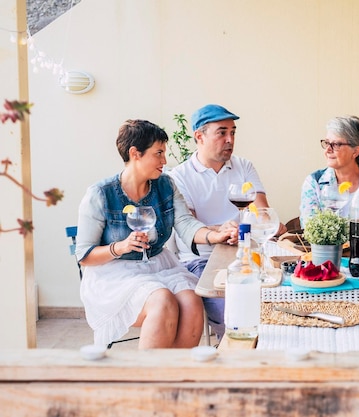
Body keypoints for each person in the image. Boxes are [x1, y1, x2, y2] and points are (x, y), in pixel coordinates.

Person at [76, 119, 214, 349]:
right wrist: (120, 247)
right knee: (162, 301)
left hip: (159, 266)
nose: (164, 160)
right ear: (135, 153)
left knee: (191, 301)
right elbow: (84, 255)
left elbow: (184, 222)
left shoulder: (166, 185)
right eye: (158, 153)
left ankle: (171, 378)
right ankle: (147, 381)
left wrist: (213, 236)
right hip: (115, 274)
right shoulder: (100, 194)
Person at [167, 103, 285, 339]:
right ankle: (231, 360)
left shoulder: (244, 167)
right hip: (203, 261)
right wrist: (223, 230)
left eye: (233, 132)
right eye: (222, 132)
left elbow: (262, 213)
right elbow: (189, 226)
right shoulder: (178, 176)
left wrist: (249, 228)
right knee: (235, 316)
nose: (230, 139)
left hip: (249, 255)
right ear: (199, 136)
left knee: (278, 307)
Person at [300, 115, 359, 224]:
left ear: (355, 151)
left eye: (336, 144)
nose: (328, 150)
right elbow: (309, 229)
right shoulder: (314, 183)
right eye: (327, 143)